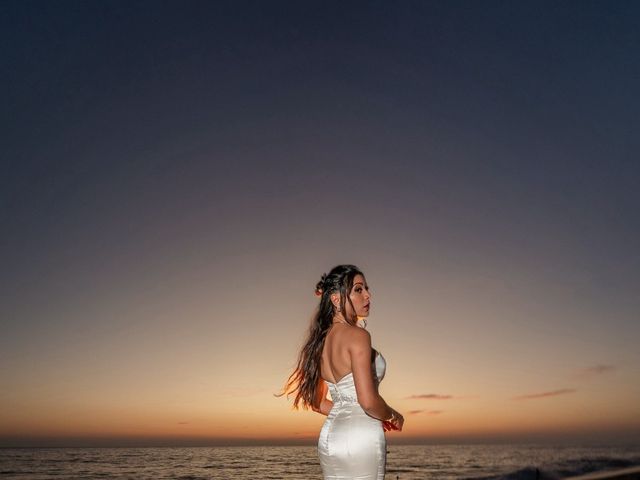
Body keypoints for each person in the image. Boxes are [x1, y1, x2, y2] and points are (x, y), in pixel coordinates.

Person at [277, 264, 404, 479]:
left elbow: (317, 402)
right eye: (358, 289)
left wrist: (350, 412)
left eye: (366, 288)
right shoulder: (358, 336)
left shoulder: (319, 342)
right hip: (361, 438)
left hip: (331, 438)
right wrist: (392, 415)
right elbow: (368, 402)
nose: (367, 295)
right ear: (336, 299)